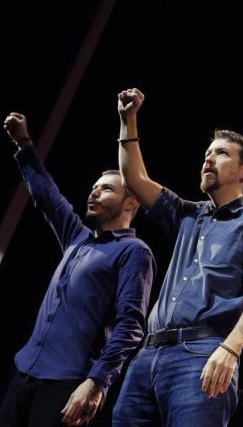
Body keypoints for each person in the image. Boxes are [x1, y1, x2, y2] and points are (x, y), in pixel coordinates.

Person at [110, 89, 243, 427]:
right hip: (147, 356)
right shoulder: (188, 215)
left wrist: (232, 348)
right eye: (207, 153)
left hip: (203, 353)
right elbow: (135, 179)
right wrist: (127, 119)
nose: (207, 159)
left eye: (220, 153)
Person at [0, 113, 154, 427]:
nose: (94, 192)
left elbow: (130, 325)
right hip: (25, 372)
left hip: (68, 384)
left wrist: (97, 381)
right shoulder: (77, 236)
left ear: (131, 203)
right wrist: (23, 143)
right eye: (95, 187)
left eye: (106, 189)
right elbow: (47, 195)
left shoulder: (133, 251)